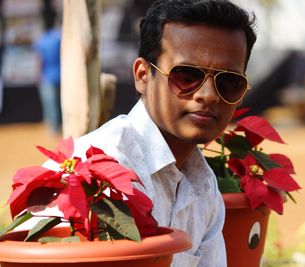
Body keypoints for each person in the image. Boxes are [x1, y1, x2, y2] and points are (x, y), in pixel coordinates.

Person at [73, 0, 257, 266]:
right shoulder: (96, 169)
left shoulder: (205, 187)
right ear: (143, 75)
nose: (207, 95)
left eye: (228, 82)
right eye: (186, 76)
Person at [34, 6, 62, 134]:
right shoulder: (59, 37)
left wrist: (37, 77)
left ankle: (53, 130)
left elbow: (39, 61)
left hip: (47, 78)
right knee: (59, 104)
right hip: (60, 76)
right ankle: (59, 128)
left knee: (50, 106)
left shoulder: (41, 40)